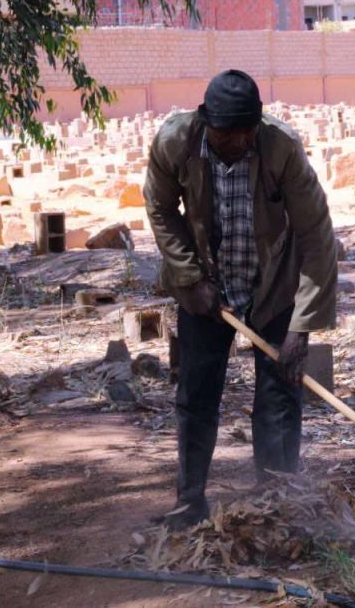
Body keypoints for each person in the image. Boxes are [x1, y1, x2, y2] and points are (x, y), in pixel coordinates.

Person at [143, 69, 337, 529]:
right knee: (196, 393)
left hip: (273, 287)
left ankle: (279, 504)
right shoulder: (175, 142)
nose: (240, 141)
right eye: (229, 134)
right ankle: (190, 501)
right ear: (207, 122)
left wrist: (301, 326)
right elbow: (160, 208)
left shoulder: (281, 148)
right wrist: (191, 277)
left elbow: (316, 233)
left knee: (278, 396)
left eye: (247, 132)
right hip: (206, 289)